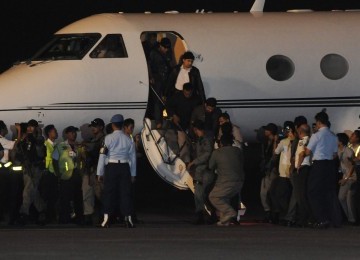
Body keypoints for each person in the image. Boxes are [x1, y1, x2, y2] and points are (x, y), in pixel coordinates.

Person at [97, 114, 136, 228]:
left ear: (113, 125)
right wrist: (133, 174)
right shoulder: (128, 139)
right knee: (125, 193)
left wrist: (100, 172)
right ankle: (128, 219)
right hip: (124, 167)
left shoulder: (108, 138)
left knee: (109, 193)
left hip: (111, 167)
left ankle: (106, 220)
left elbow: (102, 155)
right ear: (122, 125)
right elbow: (132, 158)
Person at [305, 111, 340, 228]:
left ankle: (321, 218)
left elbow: (308, 151)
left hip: (319, 165)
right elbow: (335, 154)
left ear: (319, 122)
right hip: (330, 165)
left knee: (313, 192)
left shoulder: (316, 135)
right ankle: (334, 219)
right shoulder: (333, 136)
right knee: (329, 192)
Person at [209, 134, 245, 226]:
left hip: (226, 181)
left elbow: (210, 166)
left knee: (214, 197)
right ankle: (224, 220)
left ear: (220, 143)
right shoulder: (238, 151)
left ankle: (230, 212)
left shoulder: (217, 152)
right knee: (225, 198)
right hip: (239, 181)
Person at [53, 126, 85, 224]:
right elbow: (55, 160)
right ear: (66, 134)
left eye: (75, 133)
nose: (74, 134)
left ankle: (79, 218)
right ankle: (64, 218)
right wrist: (58, 174)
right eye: (71, 133)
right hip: (65, 175)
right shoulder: (60, 146)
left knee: (78, 197)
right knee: (65, 198)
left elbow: (83, 159)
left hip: (77, 174)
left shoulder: (78, 146)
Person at [16, 119, 46, 225]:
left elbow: (40, 153)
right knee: (33, 192)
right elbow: (19, 150)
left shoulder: (39, 139)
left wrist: (36, 137)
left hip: (35, 168)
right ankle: (42, 211)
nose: (29, 128)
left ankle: (24, 213)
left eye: (32, 126)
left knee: (28, 192)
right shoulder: (26, 139)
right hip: (27, 168)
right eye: (28, 126)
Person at [187, 120, 215, 224]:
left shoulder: (205, 140)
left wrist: (194, 162)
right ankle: (202, 216)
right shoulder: (200, 140)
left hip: (205, 171)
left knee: (202, 194)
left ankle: (208, 215)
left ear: (195, 129)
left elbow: (207, 154)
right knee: (199, 194)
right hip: (200, 172)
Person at [166, 82, 201, 164]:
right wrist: (174, 115)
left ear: (192, 92)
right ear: (183, 91)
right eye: (186, 93)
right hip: (180, 124)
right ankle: (185, 162)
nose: (187, 95)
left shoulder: (197, 99)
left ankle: (195, 160)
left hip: (192, 125)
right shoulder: (177, 97)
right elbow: (168, 106)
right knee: (182, 143)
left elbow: (199, 112)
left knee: (193, 143)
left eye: (189, 94)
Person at [270, 121, 295, 224]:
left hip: (284, 173)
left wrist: (275, 141)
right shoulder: (297, 141)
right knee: (289, 195)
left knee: (279, 194)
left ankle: (287, 215)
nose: (284, 131)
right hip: (293, 172)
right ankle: (288, 215)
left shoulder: (283, 142)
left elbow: (275, 152)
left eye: (285, 129)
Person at [83, 118, 106, 225]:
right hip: (90, 170)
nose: (93, 128)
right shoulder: (92, 140)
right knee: (87, 194)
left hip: (99, 170)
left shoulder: (104, 139)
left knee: (100, 194)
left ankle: (105, 216)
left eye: (95, 126)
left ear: (101, 127)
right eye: (92, 126)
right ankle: (88, 216)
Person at [149, 37, 173, 129]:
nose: (166, 50)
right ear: (160, 46)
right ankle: (158, 121)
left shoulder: (167, 53)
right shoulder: (154, 53)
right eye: (165, 48)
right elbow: (149, 66)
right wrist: (151, 77)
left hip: (166, 79)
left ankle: (165, 117)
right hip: (157, 79)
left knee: (166, 98)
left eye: (167, 48)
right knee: (157, 100)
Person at [0, 121, 21, 224]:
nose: (7, 130)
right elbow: (16, 144)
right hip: (3, 172)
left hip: (3, 172)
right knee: (6, 195)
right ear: (2, 130)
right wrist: (19, 130)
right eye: (5, 128)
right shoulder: (2, 140)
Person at [293, 124, 312, 227]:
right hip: (306, 168)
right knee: (302, 194)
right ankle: (305, 218)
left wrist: (298, 166)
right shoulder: (309, 139)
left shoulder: (303, 141)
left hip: (303, 167)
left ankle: (304, 218)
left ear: (300, 131)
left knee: (300, 195)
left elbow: (301, 154)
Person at [259, 123, 278, 222]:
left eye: (267, 130)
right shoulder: (266, 142)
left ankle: (272, 213)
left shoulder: (276, 142)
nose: (265, 131)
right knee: (263, 193)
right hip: (266, 170)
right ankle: (268, 212)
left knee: (269, 192)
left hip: (272, 170)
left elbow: (274, 156)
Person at [337, 133, 357, 224]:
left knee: (348, 198)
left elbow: (353, 165)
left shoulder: (348, 151)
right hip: (345, 176)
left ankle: (352, 219)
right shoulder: (338, 150)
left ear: (340, 141)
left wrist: (346, 178)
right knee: (341, 198)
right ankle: (349, 217)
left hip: (352, 176)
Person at [41, 124, 59, 223]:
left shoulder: (56, 145)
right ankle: (47, 216)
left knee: (54, 196)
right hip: (48, 173)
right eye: (54, 131)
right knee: (47, 196)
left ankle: (51, 216)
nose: (56, 132)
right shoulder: (45, 145)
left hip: (55, 174)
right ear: (49, 133)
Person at [349, 130, 360, 224]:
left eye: (353, 135)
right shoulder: (349, 146)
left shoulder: (358, 147)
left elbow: (357, 160)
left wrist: (353, 160)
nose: (351, 137)